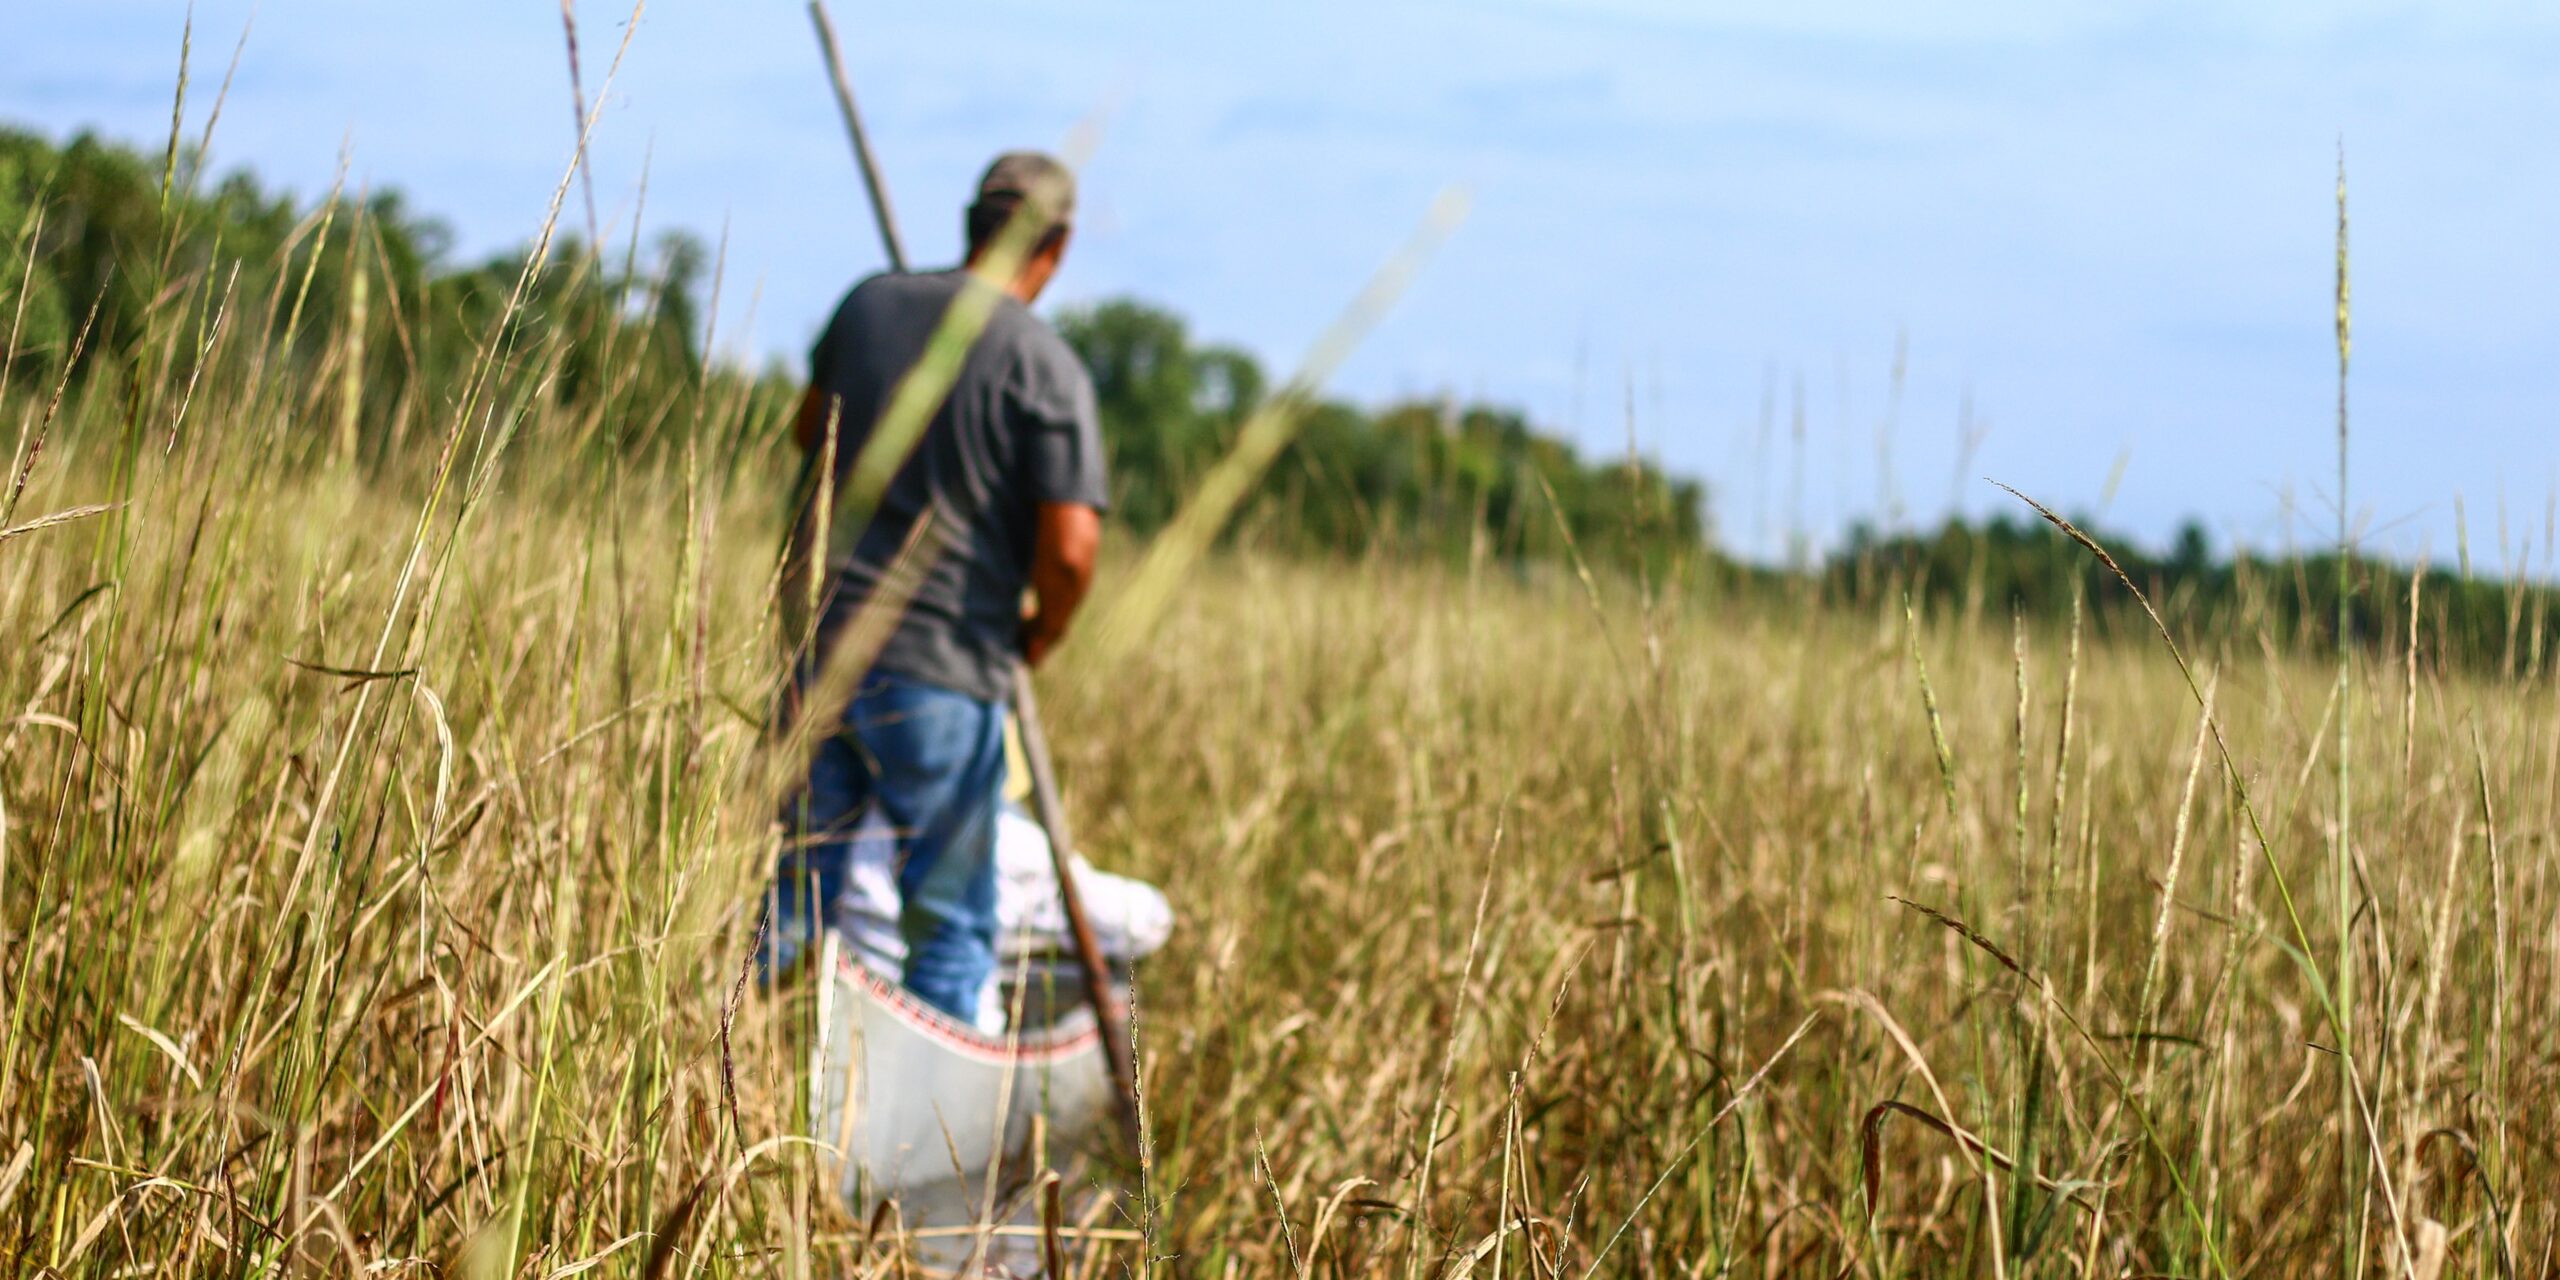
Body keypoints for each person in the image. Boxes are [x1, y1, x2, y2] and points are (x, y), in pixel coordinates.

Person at [764, 151, 1107, 1020]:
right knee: (949, 925)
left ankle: (728, 1065)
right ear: (1055, 249)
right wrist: (1042, 634)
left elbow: (809, 431)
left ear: (971, 223)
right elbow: (1070, 549)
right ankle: (931, 1135)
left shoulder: (871, 305)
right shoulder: (1042, 363)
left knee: (793, 898)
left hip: (818, 647)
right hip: (944, 661)